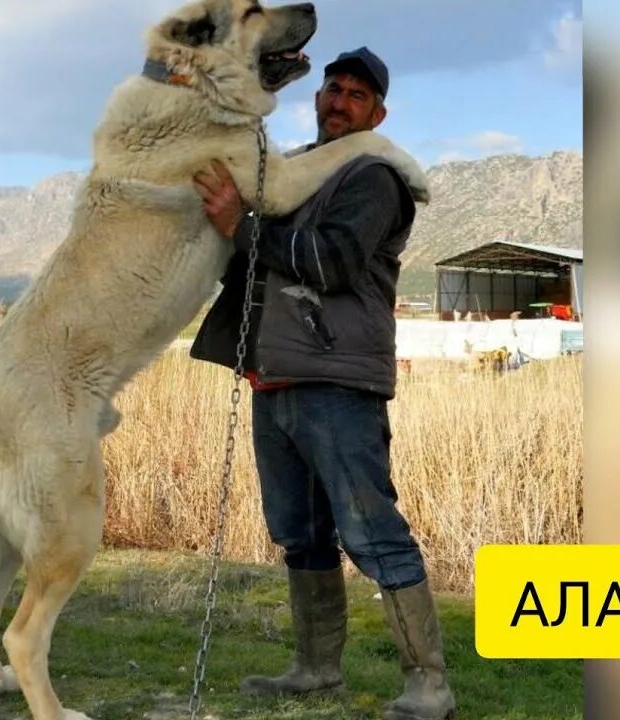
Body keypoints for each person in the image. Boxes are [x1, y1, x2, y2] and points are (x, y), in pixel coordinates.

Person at [189, 47, 456, 720]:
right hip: (274, 379)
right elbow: (251, 263)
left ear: (378, 114)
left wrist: (243, 228)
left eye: (357, 95)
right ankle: (314, 669)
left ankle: (429, 685)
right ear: (317, 99)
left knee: (372, 534)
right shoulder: (298, 173)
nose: (339, 100)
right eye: (333, 89)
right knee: (299, 534)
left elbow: (329, 261)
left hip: (338, 384)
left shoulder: (373, 179)